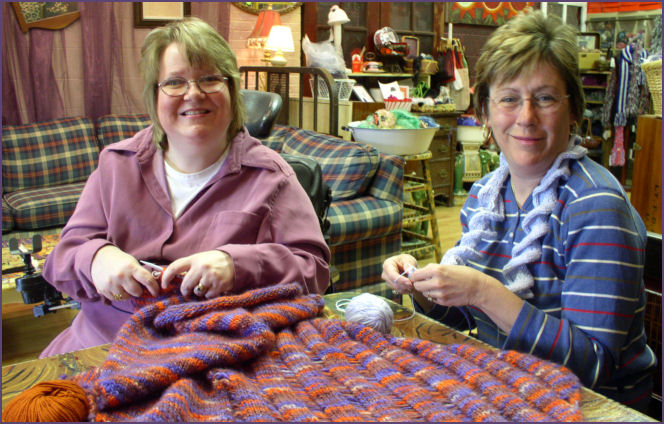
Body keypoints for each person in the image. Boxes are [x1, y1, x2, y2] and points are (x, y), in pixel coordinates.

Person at [382, 9, 655, 412]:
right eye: (509, 99)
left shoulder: (594, 206)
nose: (526, 117)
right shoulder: (486, 196)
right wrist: (420, 285)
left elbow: (596, 366)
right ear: (486, 114)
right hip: (509, 387)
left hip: (594, 408)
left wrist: (483, 291)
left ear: (574, 111)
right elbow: (458, 321)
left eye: (544, 98)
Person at [41, 17, 330, 357]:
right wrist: (96, 259)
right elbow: (61, 259)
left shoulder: (272, 177)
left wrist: (236, 265)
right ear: (155, 95)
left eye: (209, 79)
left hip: (215, 354)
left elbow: (314, 271)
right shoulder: (116, 166)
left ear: (232, 90)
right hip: (102, 347)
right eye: (175, 82)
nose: (193, 93)